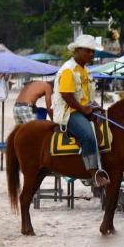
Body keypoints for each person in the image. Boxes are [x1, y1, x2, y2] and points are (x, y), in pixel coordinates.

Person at [52, 34, 109, 186]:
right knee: (89, 137)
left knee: (108, 129)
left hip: (84, 109)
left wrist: (97, 107)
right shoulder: (68, 70)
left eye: (93, 52)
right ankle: (93, 174)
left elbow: (86, 96)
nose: (91, 54)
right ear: (77, 51)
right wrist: (84, 109)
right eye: (87, 51)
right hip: (69, 111)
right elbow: (66, 95)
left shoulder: (85, 71)